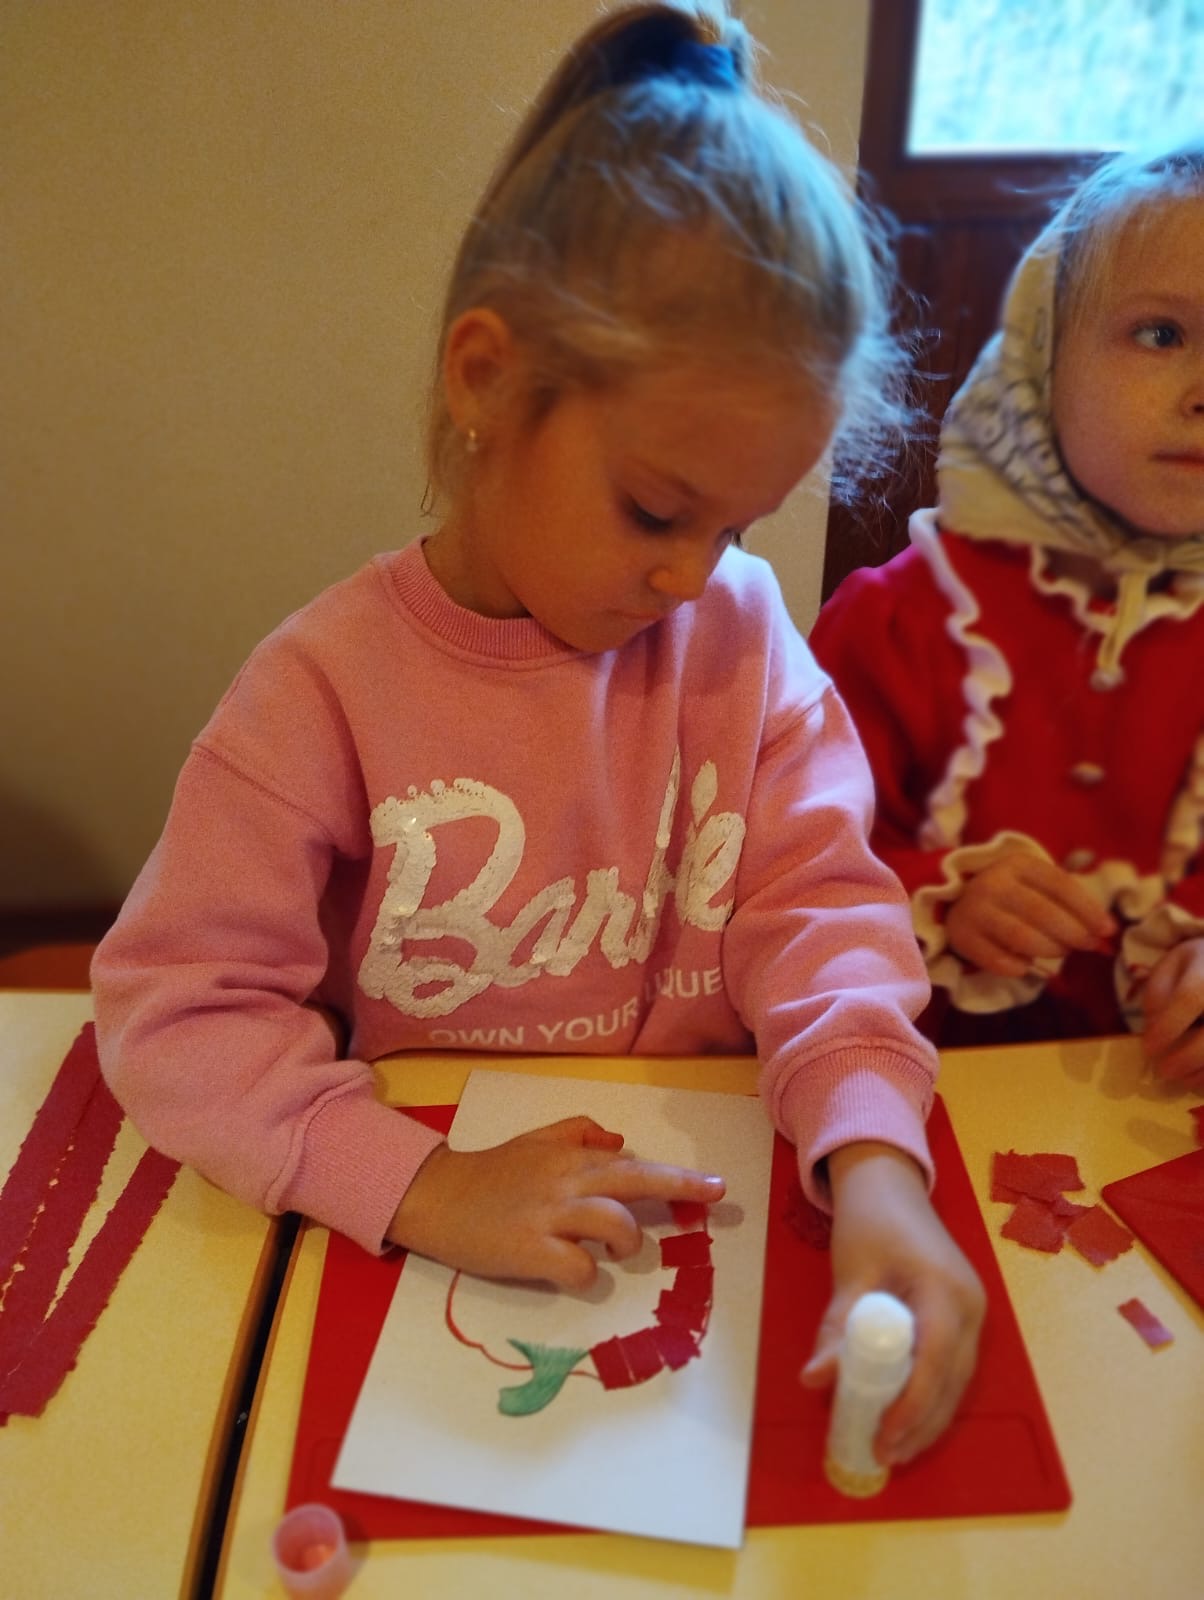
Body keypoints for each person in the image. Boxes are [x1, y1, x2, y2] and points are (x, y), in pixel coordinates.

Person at [91, 1, 983, 1467]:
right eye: (656, 509)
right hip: (411, 1245)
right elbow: (180, 1013)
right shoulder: (322, 688)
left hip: (707, 1214)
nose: (694, 576)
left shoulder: (745, 642)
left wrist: (878, 1160)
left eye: (738, 526)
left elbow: (824, 914)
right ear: (488, 379)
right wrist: (424, 1186)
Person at [811, 141, 1204, 1077]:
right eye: (1161, 334)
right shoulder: (893, 624)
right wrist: (938, 897)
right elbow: (791, 864)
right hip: (911, 1090)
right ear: (1041, 360)